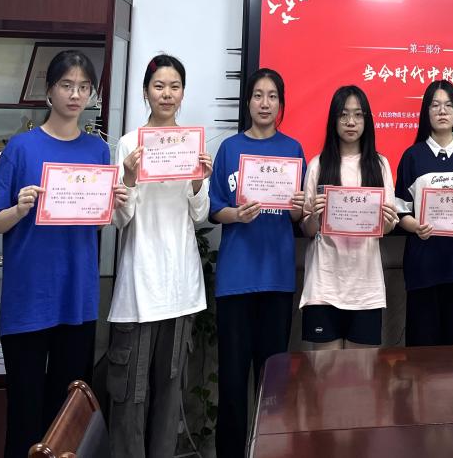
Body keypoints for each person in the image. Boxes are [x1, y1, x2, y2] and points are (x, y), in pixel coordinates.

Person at [0, 50, 127, 457]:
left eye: (84, 87)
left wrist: (109, 206)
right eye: (67, 85)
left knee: (67, 421)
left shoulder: (98, 151)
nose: (75, 94)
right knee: (25, 417)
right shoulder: (21, 148)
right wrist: (19, 209)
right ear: (49, 91)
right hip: (28, 301)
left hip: (76, 300)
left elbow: (94, 226)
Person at [108, 54, 212, 457]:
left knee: (171, 394)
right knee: (130, 395)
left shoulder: (192, 145)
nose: (166, 94)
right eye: (159, 86)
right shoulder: (129, 144)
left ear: (183, 93)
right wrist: (129, 178)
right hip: (139, 283)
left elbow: (199, 216)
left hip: (180, 286)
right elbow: (120, 219)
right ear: (146, 91)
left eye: (174, 86)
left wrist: (199, 183)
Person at [209, 68, 306, 457]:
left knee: (273, 387)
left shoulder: (293, 149)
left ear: (281, 104)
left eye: (272, 96)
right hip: (236, 280)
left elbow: (297, 215)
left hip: (277, 279)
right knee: (232, 384)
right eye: (258, 95)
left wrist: (299, 208)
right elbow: (214, 208)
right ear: (247, 101)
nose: (265, 103)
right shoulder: (229, 149)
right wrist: (236, 214)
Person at [298, 85, 399, 349]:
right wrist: (315, 216)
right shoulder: (318, 164)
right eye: (343, 115)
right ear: (334, 120)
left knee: (361, 372)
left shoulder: (379, 165)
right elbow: (308, 229)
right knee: (325, 371)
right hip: (324, 285)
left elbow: (386, 228)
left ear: (367, 120)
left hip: (366, 288)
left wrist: (388, 221)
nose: (351, 122)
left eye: (358, 114)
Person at [395, 80, 453, 346]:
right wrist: (416, 227)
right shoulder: (412, 156)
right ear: (426, 111)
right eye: (435, 105)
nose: (442, 111)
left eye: (448, 105)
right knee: (421, 354)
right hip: (422, 268)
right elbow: (401, 212)